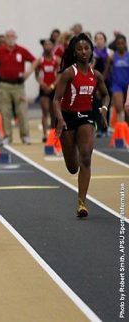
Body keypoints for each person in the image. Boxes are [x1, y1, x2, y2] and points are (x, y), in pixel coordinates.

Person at [53, 33, 109, 218]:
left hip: (86, 117)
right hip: (67, 118)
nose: (84, 52)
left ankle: (82, 203)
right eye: (79, 49)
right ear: (74, 53)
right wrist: (60, 119)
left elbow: (105, 95)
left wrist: (102, 109)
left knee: (86, 157)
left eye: (86, 48)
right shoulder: (69, 73)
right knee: (72, 167)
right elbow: (56, 99)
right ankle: (71, 153)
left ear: (91, 51)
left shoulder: (96, 75)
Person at [0, 29, 36, 145]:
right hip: (4, 85)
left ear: (15, 37)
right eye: (8, 36)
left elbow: (34, 60)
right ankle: (7, 136)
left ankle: (25, 136)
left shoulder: (21, 50)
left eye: (12, 36)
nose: (10, 38)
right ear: (4, 38)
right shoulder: (0, 51)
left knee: (22, 111)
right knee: (5, 111)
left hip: (18, 85)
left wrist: (28, 73)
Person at [35, 39, 59, 142]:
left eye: (50, 44)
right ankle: (45, 134)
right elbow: (36, 75)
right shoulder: (40, 60)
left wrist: (53, 85)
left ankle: (53, 133)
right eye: (46, 44)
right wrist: (42, 84)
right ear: (43, 46)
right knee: (45, 111)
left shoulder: (57, 59)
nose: (48, 46)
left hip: (54, 88)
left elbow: (59, 74)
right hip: (44, 88)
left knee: (54, 112)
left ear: (53, 46)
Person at [104, 34, 129, 123]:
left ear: (125, 44)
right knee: (119, 108)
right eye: (118, 44)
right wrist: (101, 85)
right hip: (117, 85)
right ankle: (121, 127)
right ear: (116, 45)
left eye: (122, 43)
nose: (120, 45)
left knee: (127, 110)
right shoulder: (112, 57)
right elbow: (106, 72)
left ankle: (126, 128)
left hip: (127, 85)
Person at [93, 32, 113, 136]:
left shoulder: (110, 52)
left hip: (107, 81)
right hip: (95, 81)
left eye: (101, 38)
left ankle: (106, 126)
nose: (99, 40)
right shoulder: (92, 52)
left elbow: (111, 68)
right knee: (96, 103)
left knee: (106, 104)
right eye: (97, 39)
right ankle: (98, 127)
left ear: (104, 40)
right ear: (95, 40)